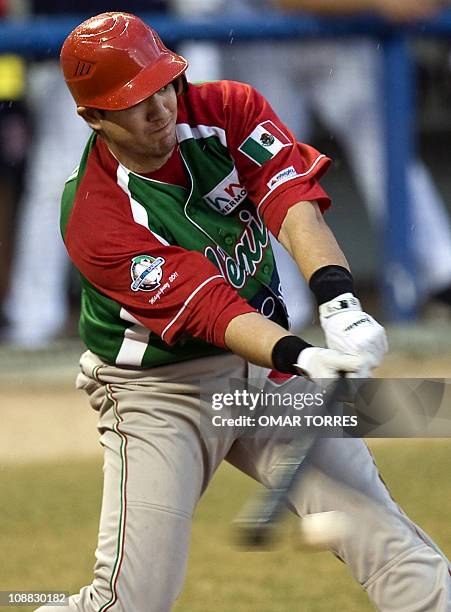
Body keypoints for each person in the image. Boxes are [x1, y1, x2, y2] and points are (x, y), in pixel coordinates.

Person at [37, 12, 451, 612]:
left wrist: (339, 302)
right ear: (93, 117)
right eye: (134, 102)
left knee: (384, 538)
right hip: (159, 392)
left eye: (165, 85)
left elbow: (289, 199)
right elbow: (213, 309)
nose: (160, 109)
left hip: (264, 375)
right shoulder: (96, 216)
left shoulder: (226, 109)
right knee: (131, 601)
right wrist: (304, 354)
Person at [221, 0, 451, 330]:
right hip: (257, 29)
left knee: (382, 142)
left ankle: (440, 278)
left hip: (342, 27)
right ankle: (282, 311)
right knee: (261, 163)